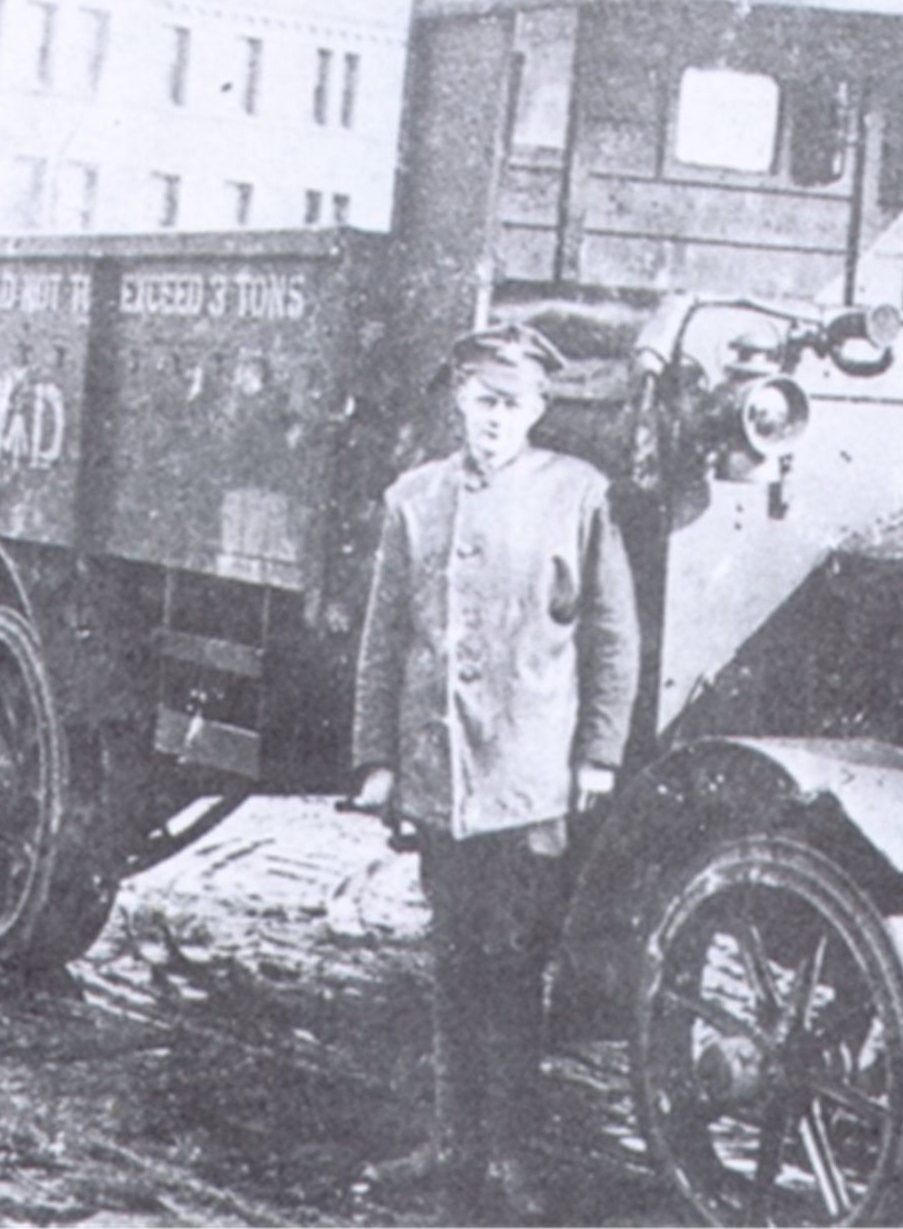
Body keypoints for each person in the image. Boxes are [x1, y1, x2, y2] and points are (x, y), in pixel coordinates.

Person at [349, 323, 640, 1224]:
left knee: (513, 973)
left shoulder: (577, 495)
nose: (494, 421)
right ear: (459, 402)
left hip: (527, 778)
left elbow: (612, 635)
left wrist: (597, 754)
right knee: (448, 964)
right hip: (442, 778)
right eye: (481, 402)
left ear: (540, 411)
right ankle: (451, 1141)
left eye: (512, 406)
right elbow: (383, 640)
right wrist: (377, 761)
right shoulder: (414, 499)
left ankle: (511, 1154)